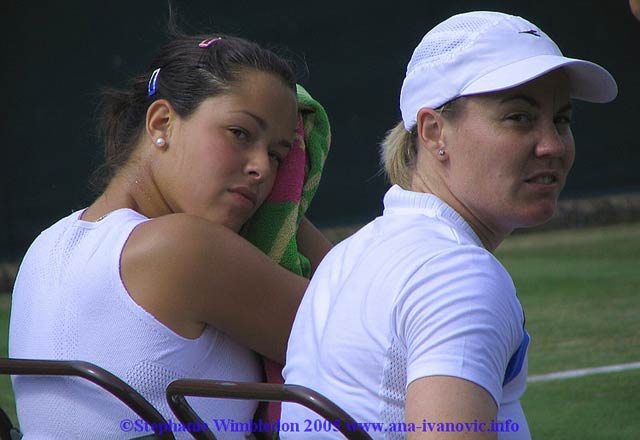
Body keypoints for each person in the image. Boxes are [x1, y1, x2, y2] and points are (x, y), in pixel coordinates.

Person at [281, 11, 617, 440]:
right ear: (434, 131)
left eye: (562, 119)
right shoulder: (459, 274)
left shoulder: (347, 257)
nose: (552, 144)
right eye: (518, 117)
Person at [8, 30, 331, 439]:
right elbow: (373, 335)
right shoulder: (185, 247)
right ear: (162, 122)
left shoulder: (46, 243)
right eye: (240, 133)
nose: (263, 169)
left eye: (278, 155)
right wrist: (287, 210)